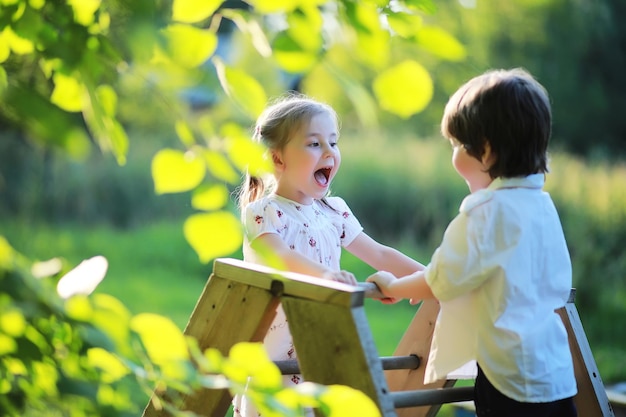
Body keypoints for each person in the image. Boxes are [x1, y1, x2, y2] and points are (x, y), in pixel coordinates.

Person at [367, 68, 577, 417]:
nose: (454, 154)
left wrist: (395, 285)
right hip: (554, 370)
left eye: (460, 145)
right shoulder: (541, 204)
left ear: (488, 151)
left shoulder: (485, 211)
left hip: (508, 379)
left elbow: (443, 279)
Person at [233, 93, 424, 417]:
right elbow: (280, 255)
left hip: (326, 341)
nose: (329, 153)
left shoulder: (333, 211)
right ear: (277, 159)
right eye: (314, 144)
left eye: (333, 143)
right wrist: (326, 277)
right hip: (278, 351)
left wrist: (431, 277)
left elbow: (378, 253)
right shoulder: (263, 212)